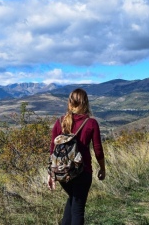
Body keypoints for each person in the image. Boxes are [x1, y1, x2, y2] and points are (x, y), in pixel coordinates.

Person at [47, 88, 105, 225]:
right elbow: (98, 150)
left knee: (73, 201)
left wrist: (50, 173)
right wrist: (102, 168)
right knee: (78, 209)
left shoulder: (60, 121)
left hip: (62, 172)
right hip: (82, 172)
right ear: (85, 103)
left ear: (69, 102)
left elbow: (52, 149)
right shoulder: (91, 123)